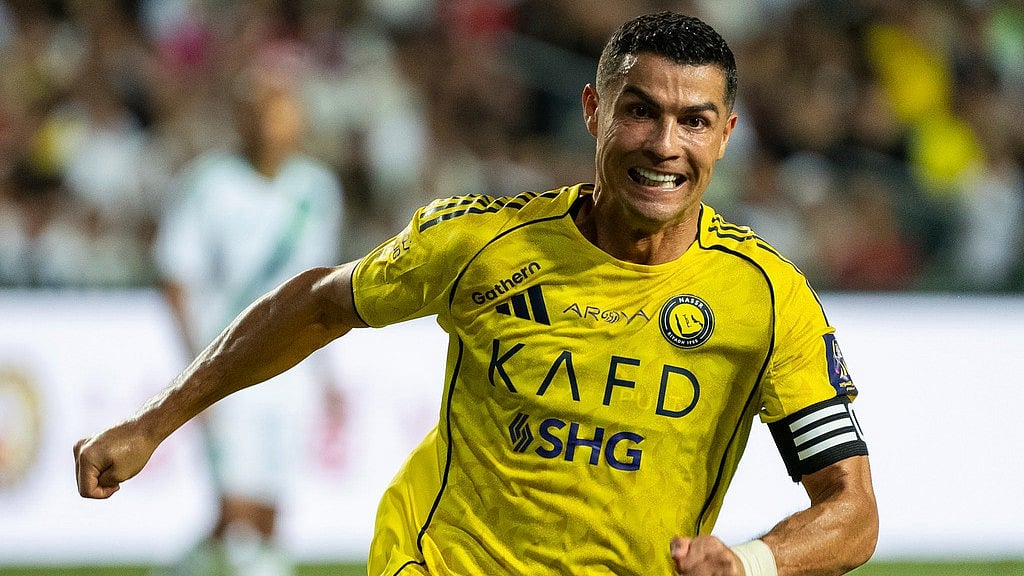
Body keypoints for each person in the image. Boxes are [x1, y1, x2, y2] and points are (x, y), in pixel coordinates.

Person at [75, 12, 878, 576]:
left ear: (728, 133)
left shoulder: (767, 299)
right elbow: (318, 303)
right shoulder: (480, 243)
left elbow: (852, 512)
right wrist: (154, 424)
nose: (666, 145)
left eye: (694, 121)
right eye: (640, 112)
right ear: (595, 112)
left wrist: (749, 561)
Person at [151, 61, 344, 576]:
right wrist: (195, 374)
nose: (273, 122)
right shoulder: (208, 184)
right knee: (236, 515)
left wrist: (329, 376)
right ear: (241, 118)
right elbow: (176, 278)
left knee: (267, 517)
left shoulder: (316, 190)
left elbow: (321, 292)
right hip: (227, 364)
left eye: (284, 110)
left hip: (292, 367)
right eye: (263, 110)